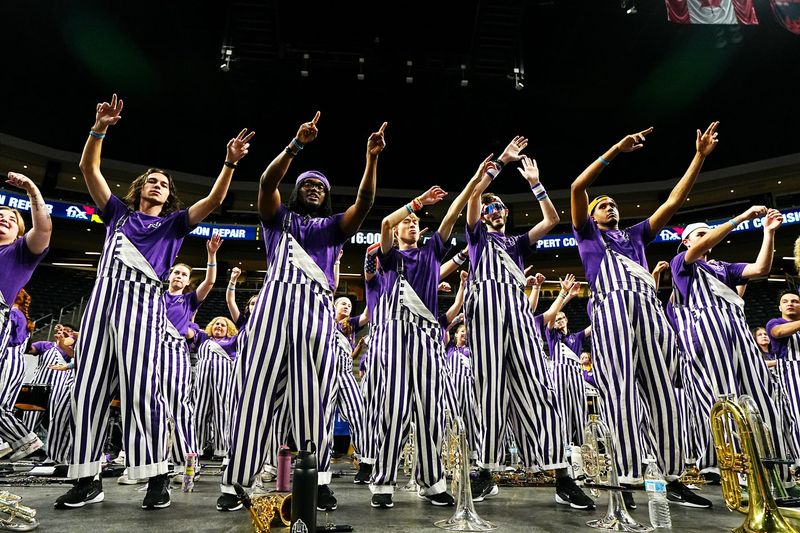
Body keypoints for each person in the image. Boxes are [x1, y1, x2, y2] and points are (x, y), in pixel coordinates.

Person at [55, 93, 254, 511]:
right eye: (151, 180)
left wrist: (230, 162)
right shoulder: (117, 214)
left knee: (144, 393)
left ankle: (157, 475)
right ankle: (87, 478)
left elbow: (215, 201)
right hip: (101, 307)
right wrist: (100, 129)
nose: (157, 184)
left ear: (169, 195)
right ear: (139, 188)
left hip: (143, 310)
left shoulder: (174, 225)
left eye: (164, 183)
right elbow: (88, 168)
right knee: (86, 391)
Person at [219, 113, 386, 512]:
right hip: (271, 312)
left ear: (326, 196)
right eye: (307, 185)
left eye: (320, 187)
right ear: (298, 191)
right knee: (253, 396)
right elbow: (265, 183)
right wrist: (295, 145)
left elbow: (365, 202)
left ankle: (318, 481)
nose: (313, 189)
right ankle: (235, 483)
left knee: (316, 401)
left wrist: (371, 158)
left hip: (315, 315)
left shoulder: (332, 228)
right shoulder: (278, 219)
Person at [570, 123, 719, 508]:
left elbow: (672, 203)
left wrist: (699, 156)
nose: (610, 206)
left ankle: (669, 479)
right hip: (613, 307)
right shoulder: (587, 234)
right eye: (603, 204)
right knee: (619, 392)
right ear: (592, 215)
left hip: (649, 309)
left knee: (664, 393)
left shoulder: (635, 235)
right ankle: (627, 477)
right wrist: (616, 150)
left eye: (613, 204)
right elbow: (576, 188)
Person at [463, 137, 592, 509]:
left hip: (517, 314)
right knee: (488, 392)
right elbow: (474, 196)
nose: (496, 211)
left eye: (501, 208)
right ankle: (487, 471)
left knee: (539, 388)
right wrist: (500, 162)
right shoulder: (477, 237)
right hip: (485, 309)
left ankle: (561, 475)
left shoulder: (517, 243)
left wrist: (536, 184)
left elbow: (552, 219)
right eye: (492, 208)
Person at [368, 155, 487, 510]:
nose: (412, 224)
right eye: (409, 221)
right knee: (394, 408)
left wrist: (477, 178)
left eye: (416, 222)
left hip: (427, 336)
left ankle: (432, 481)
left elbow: (452, 214)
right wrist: (416, 202)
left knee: (431, 411)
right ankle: (383, 482)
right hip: (394, 332)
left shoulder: (432, 249)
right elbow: (386, 222)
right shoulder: (389, 255)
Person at [671, 208, 794, 491]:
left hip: (737, 330)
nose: (705, 238)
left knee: (760, 398)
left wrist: (768, 233)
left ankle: (776, 474)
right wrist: (739, 218)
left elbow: (761, 269)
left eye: (706, 233)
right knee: (724, 400)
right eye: (699, 235)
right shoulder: (682, 261)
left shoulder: (724, 267)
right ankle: (738, 474)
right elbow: (701, 246)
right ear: (688, 241)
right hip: (707, 331)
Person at [0, 171, 51, 460]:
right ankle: (22, 440)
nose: (4, 217)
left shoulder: (20, 251)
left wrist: (33, 191)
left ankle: (23, 439)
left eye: (11, 217)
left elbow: (43, 229)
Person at [193, 317, 239, 458]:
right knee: (199, 412)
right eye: (216, 324)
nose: (219, 326)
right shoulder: (202, 338)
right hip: (202, 381)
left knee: (222, 413)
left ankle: (222, 449)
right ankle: (197, 447)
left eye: (223, 325)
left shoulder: (232, 341)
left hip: (223, 380)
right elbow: (190, 326)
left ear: (228, 329)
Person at [0, 289, 35, 458]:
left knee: (2, 407)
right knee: (5, 407)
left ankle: (25, 440)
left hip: (9, 359)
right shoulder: (21, 314)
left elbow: (10, 340)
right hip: (18, 361)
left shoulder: (13, 313)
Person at [767, 291, 800, 466]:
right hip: (791, 373)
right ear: (780, 307)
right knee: (798, 416)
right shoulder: (775, 322)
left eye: (795, 301)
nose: (790, 303)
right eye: (785, 301)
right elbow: (778, 332)